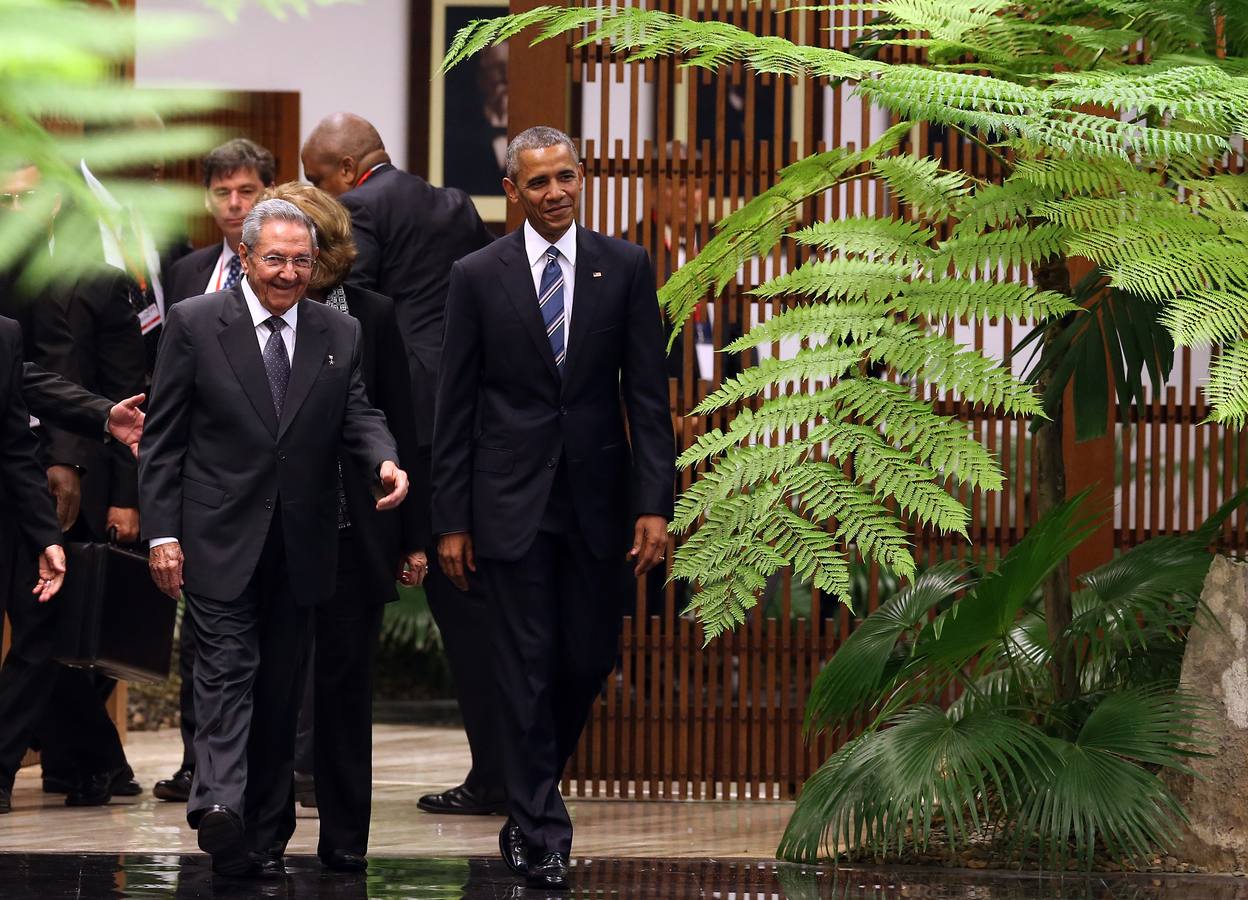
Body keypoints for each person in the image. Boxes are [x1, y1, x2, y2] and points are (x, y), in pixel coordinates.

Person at [432, 126, 675, 890]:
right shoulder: (476, 274)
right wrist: (450, 518)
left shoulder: (626, 266)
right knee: (526, 665)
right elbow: (454, 403)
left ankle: (526, 797)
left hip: (599, 503)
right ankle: (542, 825)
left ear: (583, 176)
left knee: (585, 659)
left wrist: (655, 504)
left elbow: (647, 396)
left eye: (565, 177)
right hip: (509, 504)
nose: (555, 193)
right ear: (513, 191)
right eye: (537, 183)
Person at [138, 199, 409, 878]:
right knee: (227, 672)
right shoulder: (198, 324)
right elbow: (163, 439)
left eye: (300, 260)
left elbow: (358, 411)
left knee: (280, 696)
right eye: (275, 259)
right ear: (246, 259)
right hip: (216, 536)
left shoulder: (337, 332)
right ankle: (219, 803)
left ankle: (261, 840)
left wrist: (383, 458)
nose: (288, 272)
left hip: (303, 544)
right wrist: (162, 532)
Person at [302, 113, 506, 817]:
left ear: (346, 171)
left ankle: (308, 769)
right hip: (470, 409)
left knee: (339, 594)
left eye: (315, 181)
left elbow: (349, 311)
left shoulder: (359, 211)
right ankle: (498, 770)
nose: (315, 198)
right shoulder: (453, 202)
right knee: (469, 603)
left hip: (397, 422)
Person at [263, 181, 428, 872]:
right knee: (270, 689)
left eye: (309, 247)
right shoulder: (248, 314)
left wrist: (413, 535)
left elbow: (398, 421)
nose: (296, 263)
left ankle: (345, 840)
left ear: (328, 250)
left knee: (343, 690)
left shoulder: (372, 315)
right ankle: (265, 835)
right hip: (269, 537)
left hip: (347, 530)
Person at [154, 137, 277, 805]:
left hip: (267, 487)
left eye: (247, 191)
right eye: (223, 192)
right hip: (202, 490)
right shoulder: (188, 272)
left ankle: (241, 771)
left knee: (252, 645)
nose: (234, 204)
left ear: (267, 193)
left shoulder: (290, 270)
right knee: (203, 642)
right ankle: (196, 763)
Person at [0, 315, 68, 815]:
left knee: (40, 634)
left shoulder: (5, 334)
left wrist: (46, 535)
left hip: (7, 522)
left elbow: (16, 447)